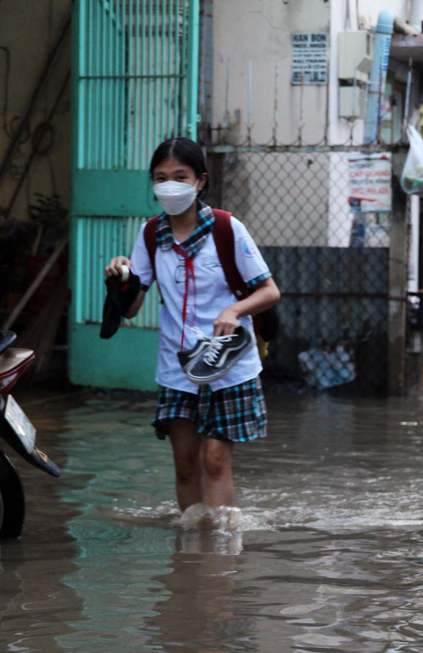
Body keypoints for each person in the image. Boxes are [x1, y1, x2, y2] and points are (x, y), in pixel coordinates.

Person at [104, 137, 281, 522]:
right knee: (185, 465)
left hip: (229, 361)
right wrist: (122, 278)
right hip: (177, 365)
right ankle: (192, 546)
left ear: (200, 181)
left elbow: (270, 291)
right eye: (160, 177)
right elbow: (133, 308)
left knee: (214, 459)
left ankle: (218, 551)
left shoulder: (226, 228)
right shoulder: (151, 235)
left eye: (180, 176)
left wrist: (234, 309)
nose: (170, 185)